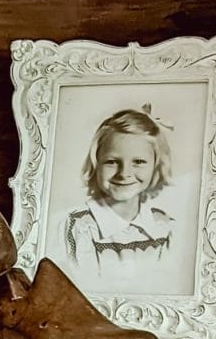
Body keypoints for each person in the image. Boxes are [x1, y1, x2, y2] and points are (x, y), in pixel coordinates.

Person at [61, 107, 176, 276]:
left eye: (138, 161)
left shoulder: (165, 226)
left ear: (156, 168)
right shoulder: (78, 226)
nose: (124, 174)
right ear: (95, 165)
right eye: (112, 161)